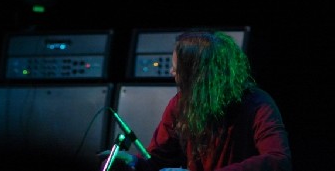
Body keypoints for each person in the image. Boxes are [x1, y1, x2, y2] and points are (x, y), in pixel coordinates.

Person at [99, 29, 292, 171]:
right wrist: (135, 161)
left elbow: (279, 160)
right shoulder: (180, 103)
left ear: (198, 74)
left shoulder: (258, 104)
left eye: (177, 67)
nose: (171, 72)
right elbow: (159, 158)